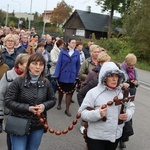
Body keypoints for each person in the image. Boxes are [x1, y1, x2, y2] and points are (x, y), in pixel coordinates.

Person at [78, 62, 135, 150]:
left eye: (116, 76)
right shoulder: (93, 93)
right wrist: (97, 114)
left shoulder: (123, 92)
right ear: (104, 77)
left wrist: (127, 114)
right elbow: (82, 113)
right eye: (111, 76)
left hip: (115, 136)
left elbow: (131, 106)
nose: (114, 79)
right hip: (96, 137)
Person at [4, 53, 56, 150]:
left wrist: (44, 106)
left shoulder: (46, 83)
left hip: (37, 125)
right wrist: (28, 108)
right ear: (28, 65)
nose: (37, 67)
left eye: (41, 64)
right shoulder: (18, 81)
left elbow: (52, 99)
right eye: (34, 63)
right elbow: (8, 101)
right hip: (19, 123)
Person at [0, 53, 29, 150]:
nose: (29, 66)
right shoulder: (8, 75)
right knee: (11, 138)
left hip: (26, 113)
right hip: (10, 114)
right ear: (19, 65)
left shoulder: (30, 77)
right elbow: (0, 95)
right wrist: (0, 115)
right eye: (26, 64)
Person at [54, 38, 80, 117]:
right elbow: (59, 63)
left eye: (75, 43)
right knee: (61, 91)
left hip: (71, 75)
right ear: (68, 43)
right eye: (72, 42)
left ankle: (67, 109)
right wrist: (56, 75)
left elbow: (78, 65)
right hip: (63, 74)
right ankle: (59, 104)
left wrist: (76, 75)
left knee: (69, 92)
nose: (74, 44)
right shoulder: (63, 51)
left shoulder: (77, 53)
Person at [119, 53, 138, 148]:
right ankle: (118, 137)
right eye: (130, 65)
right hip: (122, 94)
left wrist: (136, 83)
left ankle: (123, 139)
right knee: (121, 115)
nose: (132, 67)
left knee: (128, 116)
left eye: (133, 65)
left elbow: (137, 82)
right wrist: (127, 83)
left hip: (131, 93)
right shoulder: (120, 68)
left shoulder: (134, 69)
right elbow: (120, 81)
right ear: (126, 62)